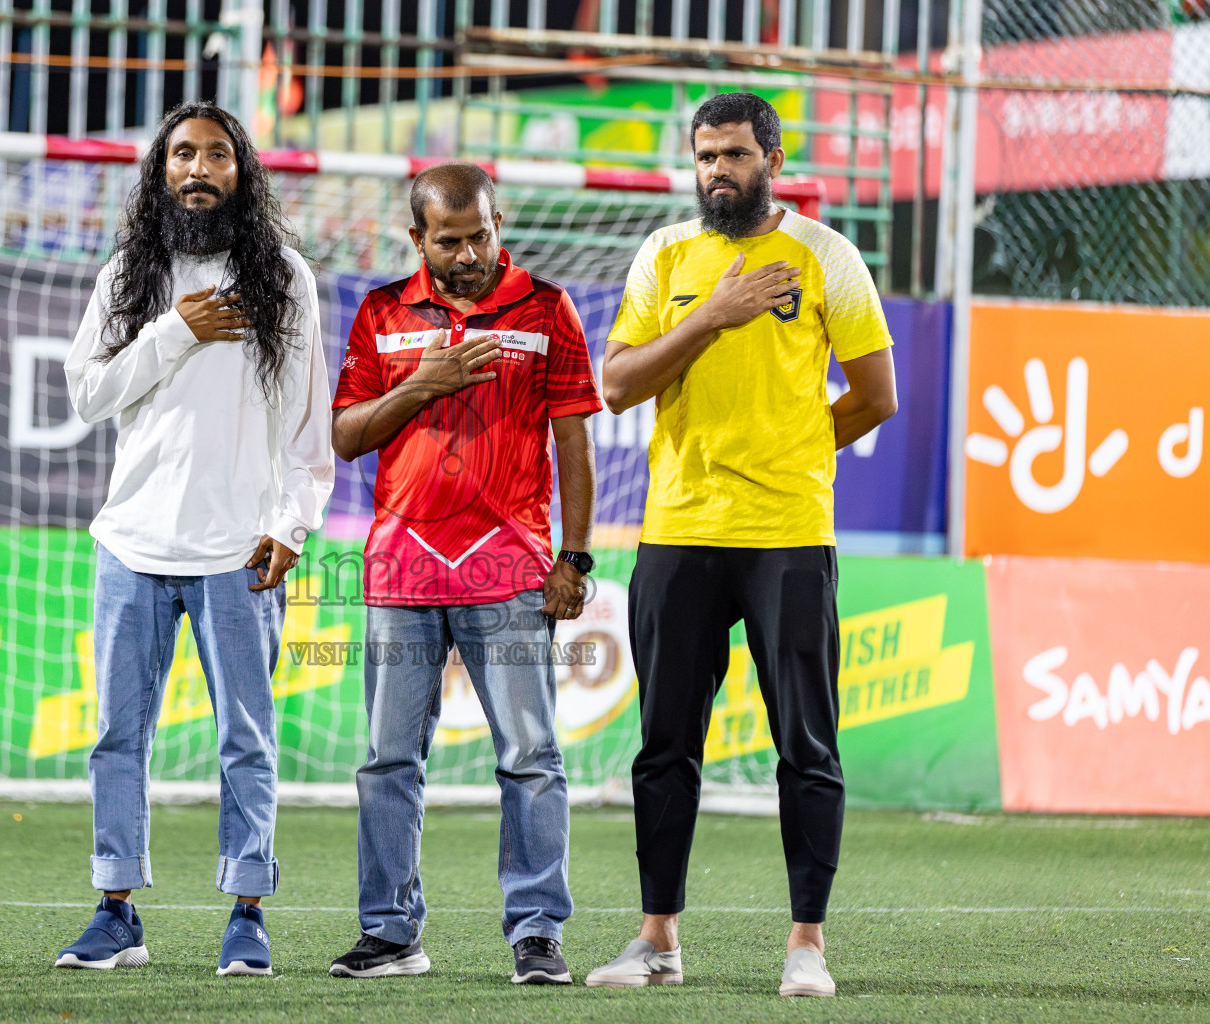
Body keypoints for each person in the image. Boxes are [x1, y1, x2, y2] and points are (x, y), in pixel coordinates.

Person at [587, 92, 898, 997]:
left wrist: (792, 452)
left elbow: (876, 395)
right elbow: (616, 385)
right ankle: (657, 941)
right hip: (677, 530)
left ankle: (807, 946)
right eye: (704, 157)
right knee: (663, 743)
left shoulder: (827, 258)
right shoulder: (666, 256)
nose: (717, 171)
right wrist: (710, 316)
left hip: (788, 535)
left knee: (806, 742)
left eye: (733, 154)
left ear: (771, 156)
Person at [56, 102, 333, 976]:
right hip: (132, 544)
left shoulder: (283, 276)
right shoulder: (128, 275)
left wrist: (290, 524)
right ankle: (116, 911)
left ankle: (247, 913)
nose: (199, 168)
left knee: (245, 738)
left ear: (243, 172)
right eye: (183, 153)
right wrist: (176, 330)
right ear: (160, 170)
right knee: (115, 737)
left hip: (238, 551)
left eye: (218, 154)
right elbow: (89, 396)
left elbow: (307, 422)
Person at [325, 163, 603, 985]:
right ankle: (390, 933)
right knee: (386, 759)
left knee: (530, 756)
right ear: (419, 239)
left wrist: (574, 559)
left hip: (511, 569)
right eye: (450, 240)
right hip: (401, 569)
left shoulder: (547, 308)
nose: (470, 252)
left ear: (497, 221)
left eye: (481, 233)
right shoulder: (382, 312)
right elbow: (346, 437)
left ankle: (537, 932)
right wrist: (423, 383)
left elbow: (574, 444)